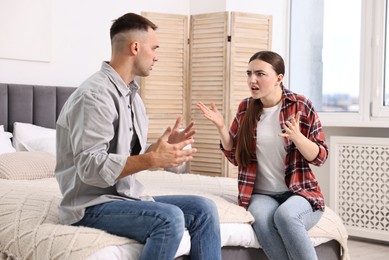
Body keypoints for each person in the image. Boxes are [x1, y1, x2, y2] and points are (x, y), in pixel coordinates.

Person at [55, 13, 221, 260]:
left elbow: (126, 159)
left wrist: (159, 150)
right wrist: (151, 160)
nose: (157, 56)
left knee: (204, 209)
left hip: (125, 197)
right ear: (135, 47)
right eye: (154, 48)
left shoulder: (132, 96)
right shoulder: (94, 96)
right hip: (89, 205)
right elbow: (89, 166)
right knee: (170, 218)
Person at [197, 50, 328, 260]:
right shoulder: (245, 108)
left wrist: (298, 138)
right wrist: (222, 127)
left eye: (260, 74)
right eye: (249, 74)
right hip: (260, 194)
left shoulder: (301, 106)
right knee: (264, 219)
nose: (252, 80)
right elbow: (236, 157)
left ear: (279, 78)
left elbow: (321, 156)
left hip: (299, 192)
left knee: (285, 216)